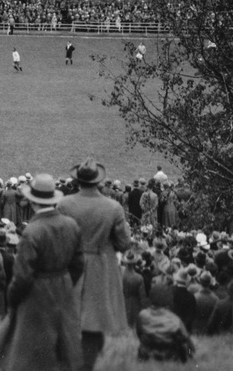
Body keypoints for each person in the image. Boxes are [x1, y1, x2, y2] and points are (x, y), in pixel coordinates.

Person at [0, 173, 83, 371]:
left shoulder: (33, 230)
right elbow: (78, 265)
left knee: (33, 347)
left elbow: (23, 275)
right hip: (64, 287)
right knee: (64, 341)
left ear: (33, 202)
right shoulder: (71, 225)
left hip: (37, 291)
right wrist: (65, 282)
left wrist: (13, 297)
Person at [57, 158, 133, 371]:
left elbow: (59, 237)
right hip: (101, 266)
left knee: (70, 317)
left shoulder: (64, 204)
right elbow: (123, 243)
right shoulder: (113, 207)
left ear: (77, 180)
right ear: (99, 181)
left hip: (70, 265)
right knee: (95, 322)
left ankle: (70, 362)